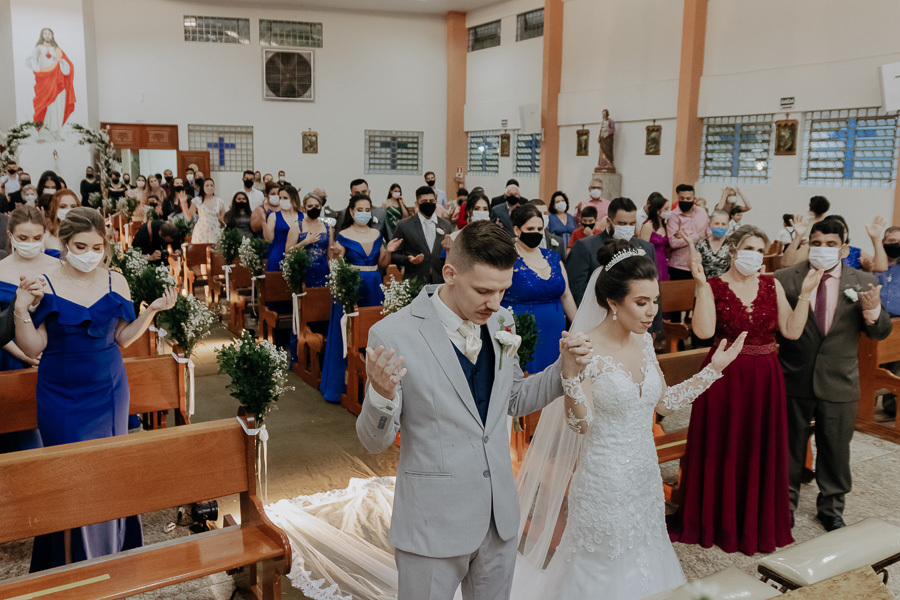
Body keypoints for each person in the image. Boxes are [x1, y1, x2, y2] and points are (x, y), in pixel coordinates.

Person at [357, 220, 592, 600]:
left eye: (503, 290)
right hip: (432, 524)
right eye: (484, 290)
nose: (495, 303)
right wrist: (381, 396)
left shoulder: (502, 321)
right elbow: (372, 442)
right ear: (450, 273)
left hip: (499, 518)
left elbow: (513, 399)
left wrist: (562, 370)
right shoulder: (393, 334)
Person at [513, 239, 746, 600]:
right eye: (641, 302)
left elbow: (664, 404)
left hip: (645, 477)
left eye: (654, 301)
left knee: (646, 556)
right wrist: (571, 377)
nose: (651, 311)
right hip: (604, 481)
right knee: (602, 566)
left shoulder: (644, 342)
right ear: (612, 302)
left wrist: (712, 371)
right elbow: (581, 425)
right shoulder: (584, 346)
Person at [14, 207, 176, 571]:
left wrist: (151, 313)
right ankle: (73, 565)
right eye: (81, 245)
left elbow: (121, 337)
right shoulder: (46, 282)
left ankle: (115, 556)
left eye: (97, 246)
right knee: (72, 477)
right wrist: (22, 308)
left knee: (110, 470)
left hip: (110, 390)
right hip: (61, 394)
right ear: (65, 243)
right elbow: (32, 347)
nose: (90, 253)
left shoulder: (115, 281)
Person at [668, 225, 821, 554]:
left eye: (759, 249)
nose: (753, 254)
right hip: (724, 376)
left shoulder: (772, 283)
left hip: (765, 377)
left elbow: (792, 331)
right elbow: (705, 330)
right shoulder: (714, 285)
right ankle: (715, 519)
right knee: (722, 445)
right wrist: (699, 287)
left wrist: (806, 292)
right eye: (747, 248)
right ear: (733, 251)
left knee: (757, 446)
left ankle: (754, 521)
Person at [775, 218, 892, 531]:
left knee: (836, 447)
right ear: (808, 244)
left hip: (840, 379)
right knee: (789, 446)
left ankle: (832, 506)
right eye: (817, 243)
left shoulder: (863, 279)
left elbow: (880, 333)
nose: (822, 249)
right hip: (793, 375)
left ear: (843, 248)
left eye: (830, 244)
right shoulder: (786, 278)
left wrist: (872, 311)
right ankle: (784, 504)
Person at [319, 195, 400, 403]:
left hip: (373, 285)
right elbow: (337, 259)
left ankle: (372, 383)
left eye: (367, 209)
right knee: (347, 334)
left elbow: (382, 261)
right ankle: (340, 385)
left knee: (372, 331)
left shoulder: (376, 233)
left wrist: (388, 251)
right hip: (351, 286)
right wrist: (336, 253)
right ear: (352, 212)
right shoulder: (344, 234)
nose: (364, 213)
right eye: (359, 209)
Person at [0, 206, 56, 453]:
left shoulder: (58, 266)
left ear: (44, 234)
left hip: (52, 355)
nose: (30, 243)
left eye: (36, 238)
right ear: (11, 236)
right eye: (23, 238)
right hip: (9, 356)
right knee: (21, 437)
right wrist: (24, 354)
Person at [503, 205, 577, 372]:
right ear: (517, 230)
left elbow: (566, 296)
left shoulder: (552, 256)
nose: (536, 233)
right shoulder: (508, 257)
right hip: (522, 332)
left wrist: (579, 326)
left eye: (539, 228)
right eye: (530, 228)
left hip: (555, 331)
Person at [567, 197, 658, 307]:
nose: (627, 228)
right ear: (609, 221)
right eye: (622, 224)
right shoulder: (586, 247)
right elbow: (577, 291)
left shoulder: (646, 248)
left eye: (632, 224)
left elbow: (654, 293)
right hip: (599, 314)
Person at [782, 214, 887, 272]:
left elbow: (881, 267)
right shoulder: (811, 249)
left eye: (841, 230)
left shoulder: (854, 251)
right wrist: (798, 237)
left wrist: (876, 239)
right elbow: (786, 264)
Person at [390, 186, 452, 285]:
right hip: (415, 280)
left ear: (436, 201)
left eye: (431, 200)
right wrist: (408, 260)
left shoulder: (445, 225)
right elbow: (393, 254)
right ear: (417, 203)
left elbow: (450, 253)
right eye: (424, 201)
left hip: (440, 281)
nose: (428, 203)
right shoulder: (404, 225)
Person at [26, 28, 75, 141]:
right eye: (45, 33)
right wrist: (37, 57)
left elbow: (68, 68)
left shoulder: (57, 50)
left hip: (57, 80)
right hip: (44, 81)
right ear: (42, 35)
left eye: (49, 34)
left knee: (57, 104)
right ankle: (45, 132)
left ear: (52, 36)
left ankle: (56, 131)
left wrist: (60, 61)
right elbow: (32, 64)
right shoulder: (38, 48)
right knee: (45, 105)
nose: (47, 36)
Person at [286, 192, 332, 287]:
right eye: (310, 206)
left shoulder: (327, 227)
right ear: (304, 208)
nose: (313, 208)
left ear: (320, 207)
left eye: (316, 206)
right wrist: (305, 242)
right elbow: (287, 252)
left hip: (323, 270)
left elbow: (330, 255)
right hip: (304, 271)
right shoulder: (297, 225)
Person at [878, 226, 900, 417]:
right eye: (891, 241)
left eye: (898, 242)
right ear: (883, 242)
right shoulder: (875, 264)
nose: (895, 245)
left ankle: (891, 404)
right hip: (875, 321)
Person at [666, 183, 710, 280]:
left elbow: (708, 234)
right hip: (680, 266)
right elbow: (673, 243)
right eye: (682, 199)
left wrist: (685, 236)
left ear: (694, 199)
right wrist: (696, 236)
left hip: (701, 264)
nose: (685, 201)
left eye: (688, 198)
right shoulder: (674, 216)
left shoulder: (702, 212)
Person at [265, 185, 303, 272]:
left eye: (285, 198)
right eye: (280, 198)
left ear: (293, 199)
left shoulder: (303, 216)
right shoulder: (274, 216)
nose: (282, 200)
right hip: (278, 254)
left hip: (298, 253)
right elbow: (269, 238)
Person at [639, 193, 671, 282]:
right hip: (651, 261)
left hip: (663, 261)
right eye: (666, 209)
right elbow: (643, 248)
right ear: (657, 211)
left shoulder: (665, 225)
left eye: (669, 208)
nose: (669, 211)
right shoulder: (648, 225)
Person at [694, 210, 732, 279]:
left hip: (725, 285)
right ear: (710, 224)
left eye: (723, 224)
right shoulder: (701, 243)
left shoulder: (732, 244)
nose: (720, 227)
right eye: (716, 223)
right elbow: (695, 266)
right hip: (704, 285)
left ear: (728, 226)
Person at [44, 189, 80, 258]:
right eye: (63, 207)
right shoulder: (45, 236)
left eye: (73, 207)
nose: (69, 210)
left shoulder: (86, 234)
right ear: (55, 209)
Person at [188, 178, 225, 244]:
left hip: (215, 229)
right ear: (203, 187)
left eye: (211, 185)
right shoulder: (197, 200)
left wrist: (221, 222)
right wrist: (183, 203)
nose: (210, 187)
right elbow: (189, 216)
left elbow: (223, 218)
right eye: (207, 185)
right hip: (201, 230)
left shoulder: (219, 201)